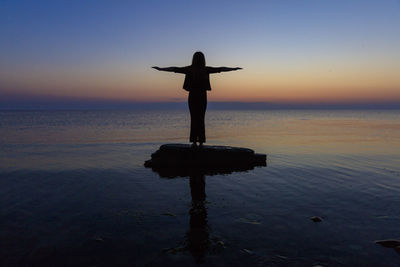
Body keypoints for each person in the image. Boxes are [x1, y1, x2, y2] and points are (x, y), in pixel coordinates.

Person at [152, 51, 242, 147]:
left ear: (193, 59)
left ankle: (194, 141)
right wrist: (233, 69)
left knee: (194, 118)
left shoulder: (190, 69)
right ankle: (201, 142)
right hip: (202, 96)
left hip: (193, 96)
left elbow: (174, 69)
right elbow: (221, 69)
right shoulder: (205, 69)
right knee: (200, 118)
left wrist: (161, 69)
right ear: (203, 59)